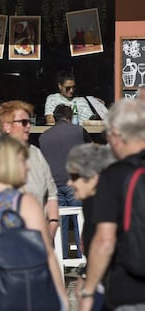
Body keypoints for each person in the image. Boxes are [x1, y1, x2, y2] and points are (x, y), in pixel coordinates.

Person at [0, 133, 68, 311]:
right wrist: (62, 300)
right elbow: (46, 253)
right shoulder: (23, 202)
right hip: (14, 297)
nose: (28, 168)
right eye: (23, 161)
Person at [79, 99, 145, 311]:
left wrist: (89, 291)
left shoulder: (114, 176)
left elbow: (105, 241)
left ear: (116, 135)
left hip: (129, 290)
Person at [0, 100, 59, 240]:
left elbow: (52, 193)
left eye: (29, 121)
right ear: (7, 127)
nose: (28, 126)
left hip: (38, 235)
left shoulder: (35, 153)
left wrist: (53, 223)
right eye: (23, 122)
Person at [65, 143, 115, 311]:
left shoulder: (108, 202)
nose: (69, 182)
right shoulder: (90, 199)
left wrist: (88, 291)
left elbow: (105, 243)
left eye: (74, 176)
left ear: (92, 177)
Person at [39, 104, 93, 259]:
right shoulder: (78, 131)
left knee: (60, 222)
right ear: (69, 118)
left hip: (54, 184)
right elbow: (91, 150)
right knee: (79, 220)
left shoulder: (43, 136)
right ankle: (81, 258)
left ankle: (63, 260)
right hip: (74, 182)